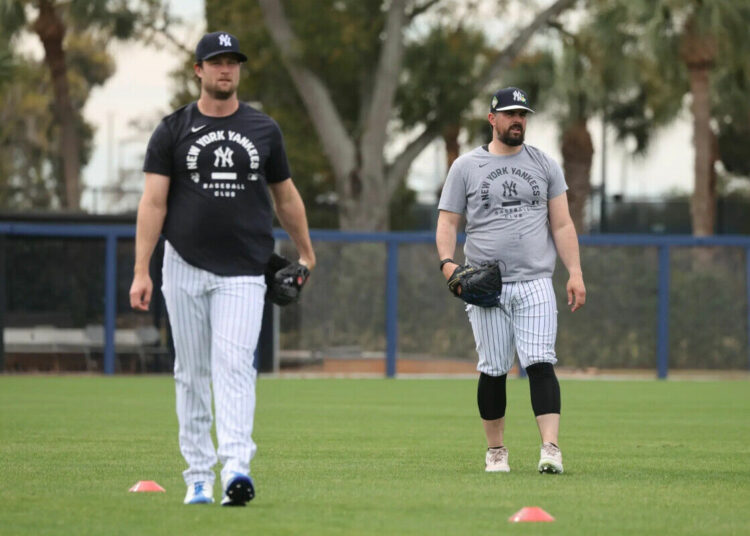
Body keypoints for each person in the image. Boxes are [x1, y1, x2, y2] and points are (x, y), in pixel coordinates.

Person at [129, 31, 316, 505]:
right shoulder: (172, 130)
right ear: (198, 70)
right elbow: (152, 203)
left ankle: (236, 468)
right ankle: (197, 476)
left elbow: (286, 196)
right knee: (191, 372)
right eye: (216, 62)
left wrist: (306, 252)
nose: (225, 69)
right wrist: (141, 271)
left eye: (232, 62)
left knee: (234, 366)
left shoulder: (263, 130)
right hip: (184, 266)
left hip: (244, 270)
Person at [435, 87, 585, 474]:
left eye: (523, 114)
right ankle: (496, 451)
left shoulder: (545, 164)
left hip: (535, 279)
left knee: (540, 362)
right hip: (486, 284)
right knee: (494, 368)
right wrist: (447, 263)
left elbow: (563, 223)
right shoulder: (466, 166)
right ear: (492, 119)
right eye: (510, 114)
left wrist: (575, 272)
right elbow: (448, 221)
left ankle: (550, 449)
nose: (518, 120)